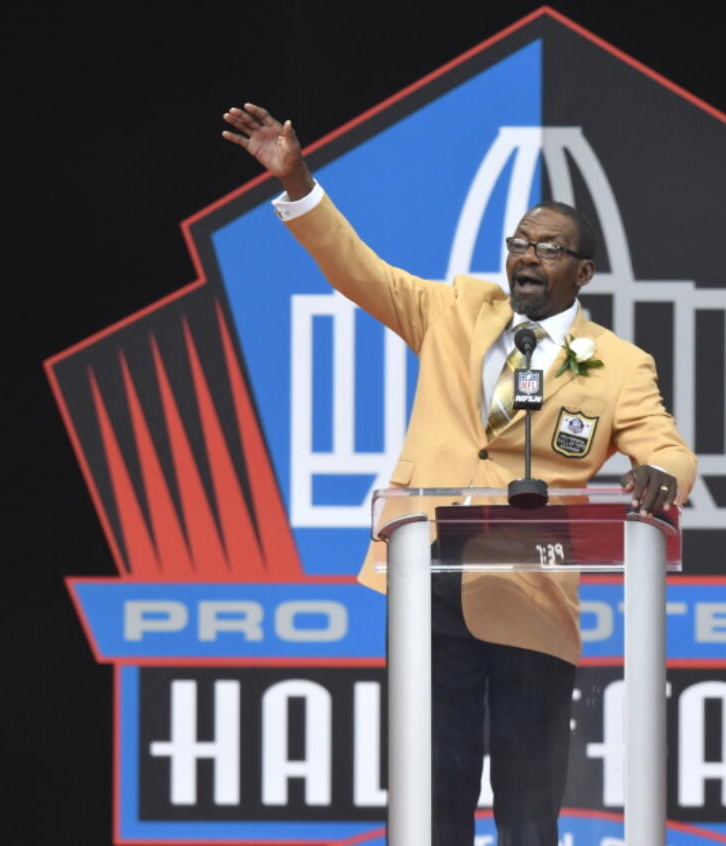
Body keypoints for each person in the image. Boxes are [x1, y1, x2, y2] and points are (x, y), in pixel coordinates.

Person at [222, 103, 696, 846]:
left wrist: (661, 474)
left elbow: (664, 445)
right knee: (427, 802)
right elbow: (360, 271)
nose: (528, 256)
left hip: (531, 597)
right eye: (520, 242)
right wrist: (300, 183)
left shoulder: (619, 365)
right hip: (426, 584)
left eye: (549, 247)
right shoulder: (456, 311)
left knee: (528, 813)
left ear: (584, 271)